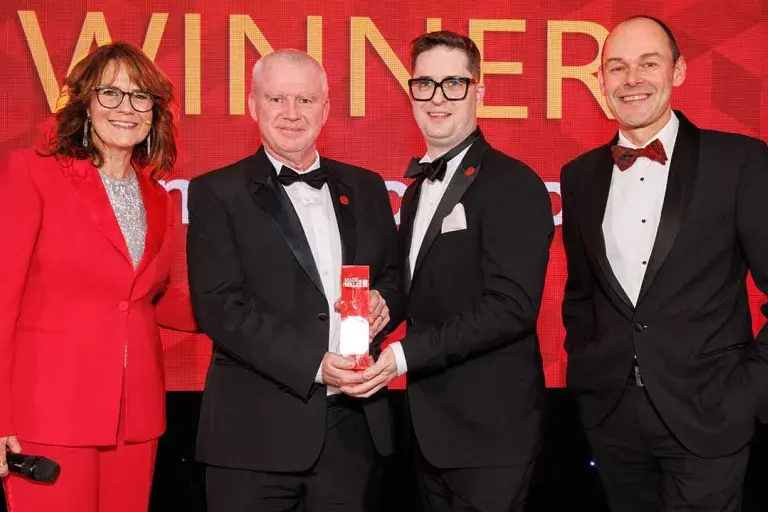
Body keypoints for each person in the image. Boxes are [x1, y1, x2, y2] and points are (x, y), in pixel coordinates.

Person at [561, 15, 768, 511]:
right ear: (601, 80)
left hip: (711, 415)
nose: (631, 79)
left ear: (678, 71)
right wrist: (588, 374)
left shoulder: (740, 161)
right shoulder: (579, 175)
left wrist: (749, 392)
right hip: (613, 419)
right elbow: (581, 294)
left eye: (648, 63)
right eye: (617, 67)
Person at [186, 49, 401, 512]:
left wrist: (384, 301)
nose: (291, 113)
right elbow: (219, 307)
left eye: (305, 100)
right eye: (277, 98)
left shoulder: (366, 187)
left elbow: (394, 276)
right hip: (253, 437)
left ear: (325, 108)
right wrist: (314, 365)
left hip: (353, 434)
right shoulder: (215, 192)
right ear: (253, 105)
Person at [347, 31, 554, 511]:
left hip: (491, 433)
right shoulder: (417, 190)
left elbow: (511, 309)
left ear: (479, 92)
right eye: (425, 84)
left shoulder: (513, 184)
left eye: (453, 84)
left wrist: (403, 355)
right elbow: (419, 285)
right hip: (429, 430)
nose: (437, 98)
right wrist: (381, 305)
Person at [0, 42, 197, 512]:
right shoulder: (33, 172)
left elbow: (148, 297)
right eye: (110, 92)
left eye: (140, 96)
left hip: (135, 419)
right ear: (84, 102)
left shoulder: (157, 197)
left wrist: (250, 306)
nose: (126, 107)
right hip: (50, 412)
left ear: (155, 111)